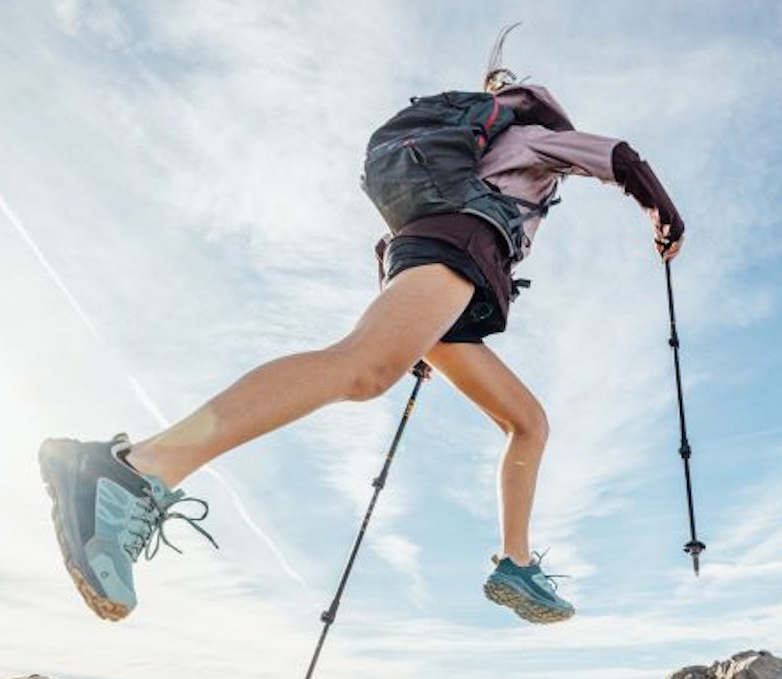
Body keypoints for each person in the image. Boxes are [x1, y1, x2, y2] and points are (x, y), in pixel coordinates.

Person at [38, 41, 684, 625]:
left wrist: (421, 329)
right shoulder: (538, 138)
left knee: (526, 421)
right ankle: (136, 470)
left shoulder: (478, 149)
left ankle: (514, 563)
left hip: (440, 271)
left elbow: (393, 245)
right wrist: (664, 213)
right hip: (456, 251)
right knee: (361, 367)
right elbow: (617, 156)